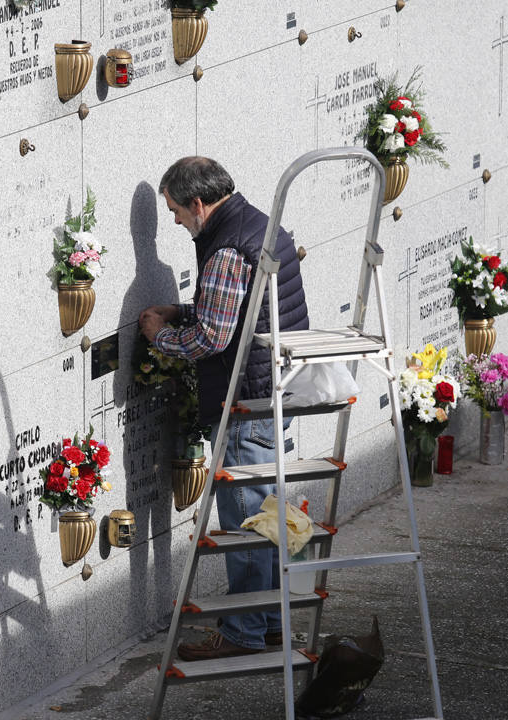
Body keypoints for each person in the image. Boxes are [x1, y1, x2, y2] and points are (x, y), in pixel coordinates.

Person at [138, 157, 309, 660]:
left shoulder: (228, 249)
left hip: (245, 403)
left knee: (247, 525)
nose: (173, 221)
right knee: (268, 518)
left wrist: (161, 334)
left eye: (174, 210)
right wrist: (185, 309)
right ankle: (271, 624)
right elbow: (234, 311)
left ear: (197, 203)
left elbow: (214, 336)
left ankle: (240, 635)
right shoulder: (257, 225)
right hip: (275, 388)